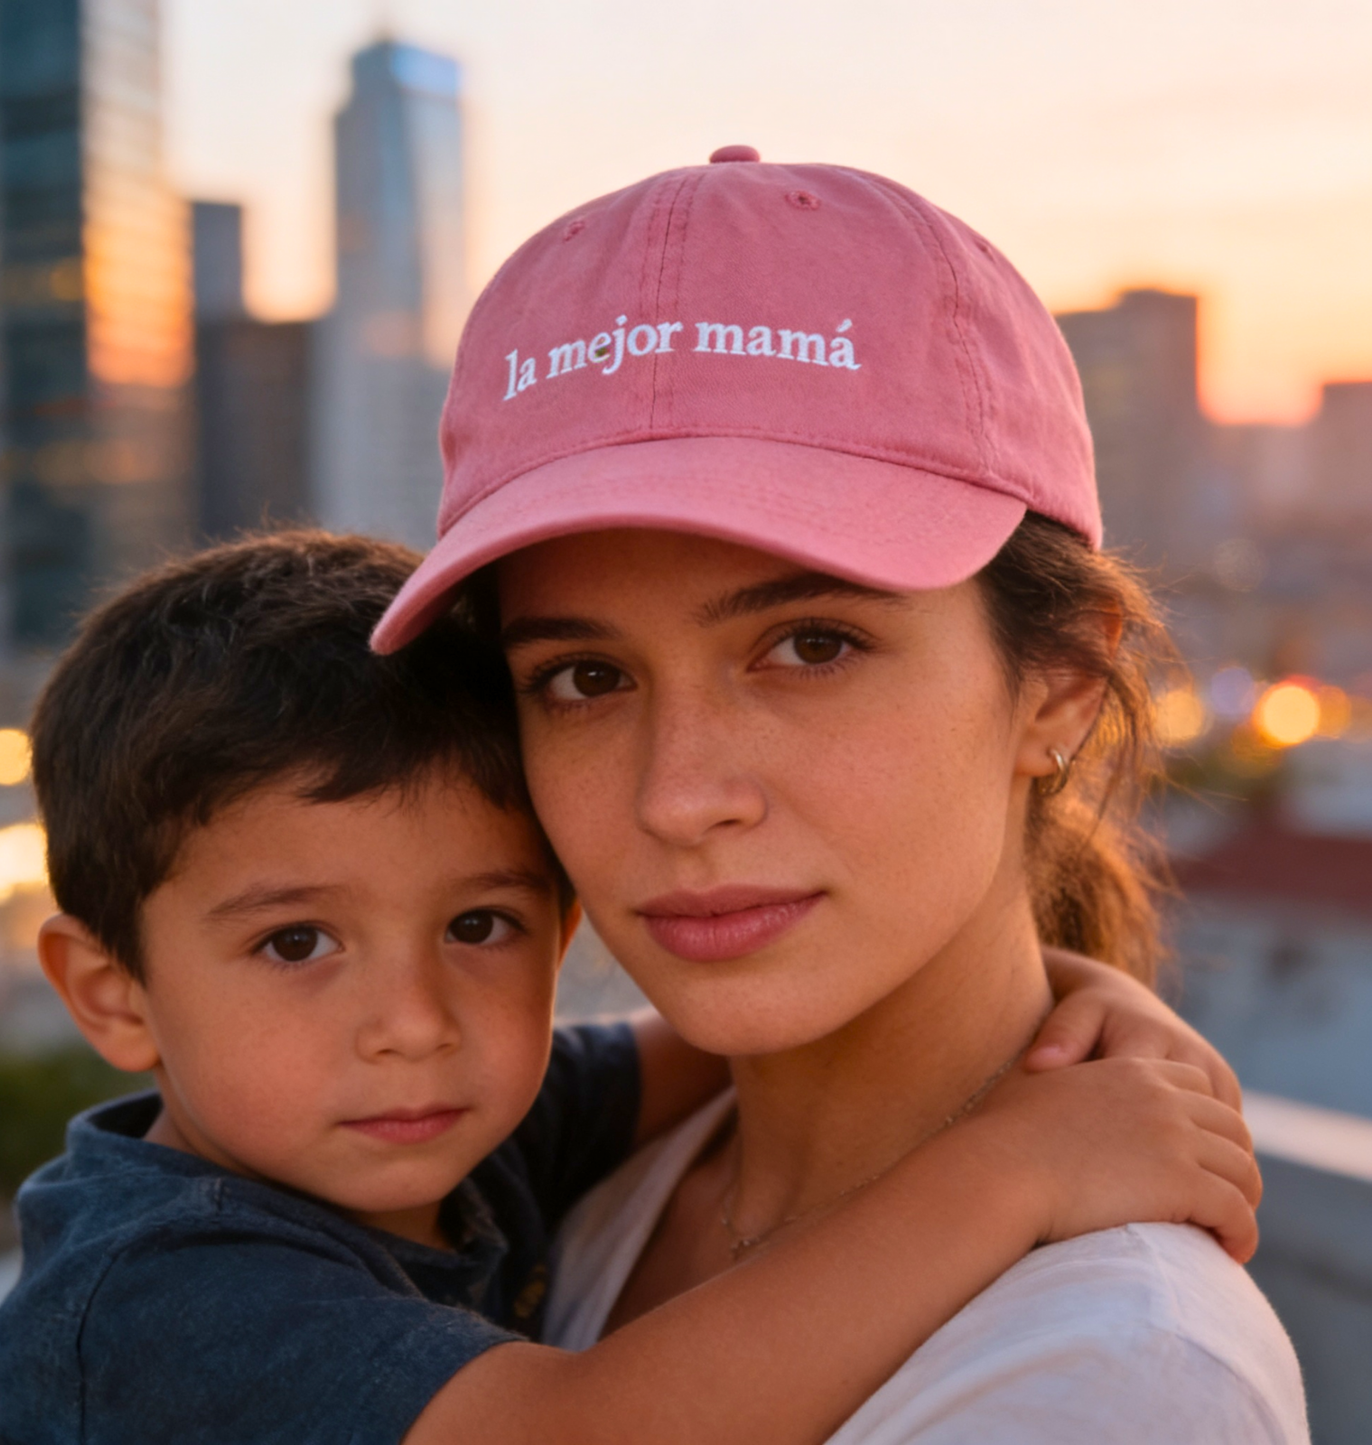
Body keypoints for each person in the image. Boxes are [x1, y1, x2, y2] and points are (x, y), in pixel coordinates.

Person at [364, 149, 1312, 1442]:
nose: (680, 797)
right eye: (586, 677)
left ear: (1061, 683)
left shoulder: (1108, 1381)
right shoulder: (559, 1185)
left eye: (812, 645)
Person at [0, 532, 1254, 1445]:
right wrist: (1010, 1171)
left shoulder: (446, 1126)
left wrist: (1083, 1003)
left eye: (479, 924)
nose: (416, 1023)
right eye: (297, 945)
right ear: (109, 994)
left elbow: (687, 1045)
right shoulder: (166, 1284)